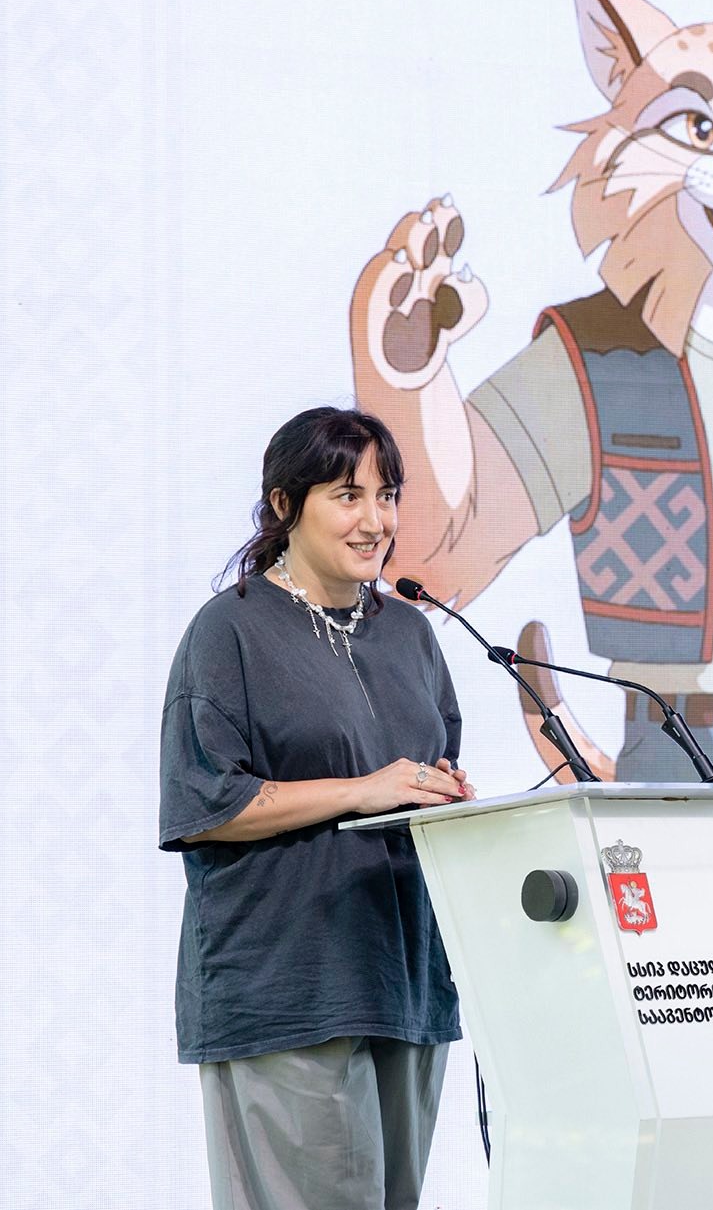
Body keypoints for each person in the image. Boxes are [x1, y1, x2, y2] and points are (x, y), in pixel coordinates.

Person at [158, 406, 476, 1210]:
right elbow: (205, 801)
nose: (376, 520)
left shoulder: (411, 632)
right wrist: (364, 788)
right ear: (283, 504)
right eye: (347, 495)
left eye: (388, 494)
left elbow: (425, 766)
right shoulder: (229, 631)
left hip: (404, 976)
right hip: (286, 985)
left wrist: (442, 791)